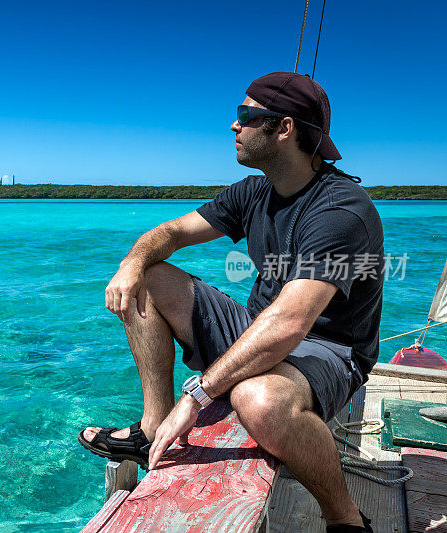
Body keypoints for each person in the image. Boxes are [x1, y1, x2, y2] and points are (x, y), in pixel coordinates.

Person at [78, 72, 383, 532]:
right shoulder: (255, 190)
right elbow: (174, 232)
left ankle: (345, 520)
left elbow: (291, 322)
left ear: (284, 129)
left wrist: (197, 395)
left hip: (327, 347)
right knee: (150, 278)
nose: (233, 126)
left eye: (245, 116)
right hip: (259, 323)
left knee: (258, 399)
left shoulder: (341, 212)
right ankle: (149, 428)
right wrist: (132, 262)